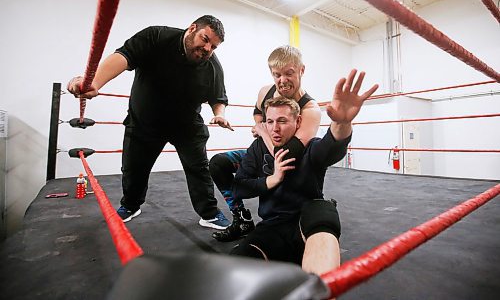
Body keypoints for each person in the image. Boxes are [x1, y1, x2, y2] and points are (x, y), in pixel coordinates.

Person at [67, 15, 233, 229]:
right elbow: (124, 56)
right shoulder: (156, 37)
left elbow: (218, 97)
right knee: (133, 168)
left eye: (214, 46)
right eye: (205, 38)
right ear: (192, 28)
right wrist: (95, 82)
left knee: (199, 168)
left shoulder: (211, 65)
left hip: (187, 125)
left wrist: (220, 114)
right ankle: (130, 205)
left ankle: (209, 213)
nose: (207, 48)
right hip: (144, 122)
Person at [229, 70, 378, 276]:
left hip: (309, 223)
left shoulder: (309, 147)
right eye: (270, 122)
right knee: (234, 267)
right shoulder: (257, 149)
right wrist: (271, 180)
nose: (275, 129)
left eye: (282, 121)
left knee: (322, 209)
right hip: (272, 227)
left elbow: (331, 147)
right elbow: (238, 188)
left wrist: (342, 123)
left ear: (298, 122)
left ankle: (321, 286)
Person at [209, 45, 321, 241]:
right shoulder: (265, 92)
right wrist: (260, 124)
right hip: (264, 153)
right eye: (277, 74)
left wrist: (263, 131)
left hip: (294, 165)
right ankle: (241, 219)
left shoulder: (310, 110)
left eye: (289, 73)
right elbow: (258, 113)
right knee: (218, 163)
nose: (282, 81)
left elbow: (287, 153)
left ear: (301, 70)